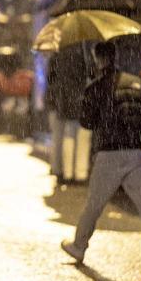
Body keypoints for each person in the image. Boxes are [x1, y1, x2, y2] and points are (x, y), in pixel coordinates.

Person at [61, 41, 141, 269]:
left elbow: (87, 123)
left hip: (109, 154)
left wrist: (86, 99)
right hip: (134, 152)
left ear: (98, 59)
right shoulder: (135, 83)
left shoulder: (96, 87)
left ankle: (79, 246)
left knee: (94, 204)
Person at [46, 45, 91, 184]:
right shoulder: (83, 52)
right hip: (80, 99)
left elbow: (50, 78)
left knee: (68, 135)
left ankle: (67, 173)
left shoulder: (58, 54)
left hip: (64, 101)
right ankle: (80, 173)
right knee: (83, 137)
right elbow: (90, 74)